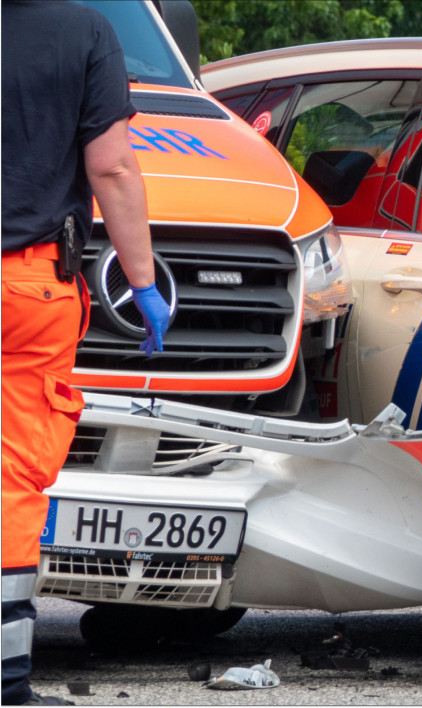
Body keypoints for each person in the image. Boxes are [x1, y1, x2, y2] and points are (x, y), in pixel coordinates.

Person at [2, 2, 171, 704]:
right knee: (11, 472)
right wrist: (143, 282)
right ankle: (5, 672)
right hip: (27, 288)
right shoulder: (83, 32)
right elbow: (113, 170)